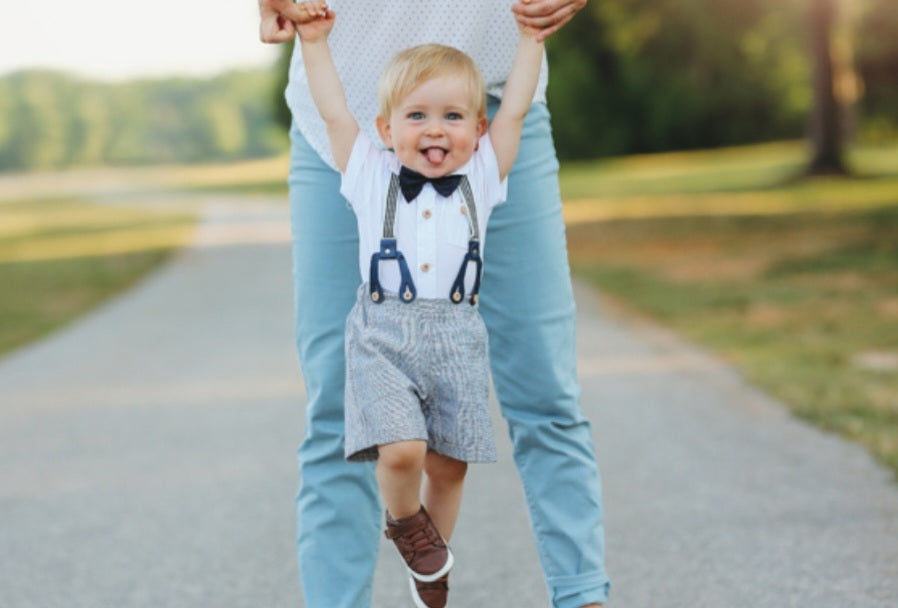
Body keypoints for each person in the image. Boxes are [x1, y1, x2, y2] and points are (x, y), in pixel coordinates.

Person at [258, 1, 609, 607]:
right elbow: (338, 115)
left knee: (544, 397)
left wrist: (535, 33)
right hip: (343, 94)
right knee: (339, 410)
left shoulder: (488, 154)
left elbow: (513, 113)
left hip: (494, 93)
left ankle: (580, 597)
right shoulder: (364, 160)